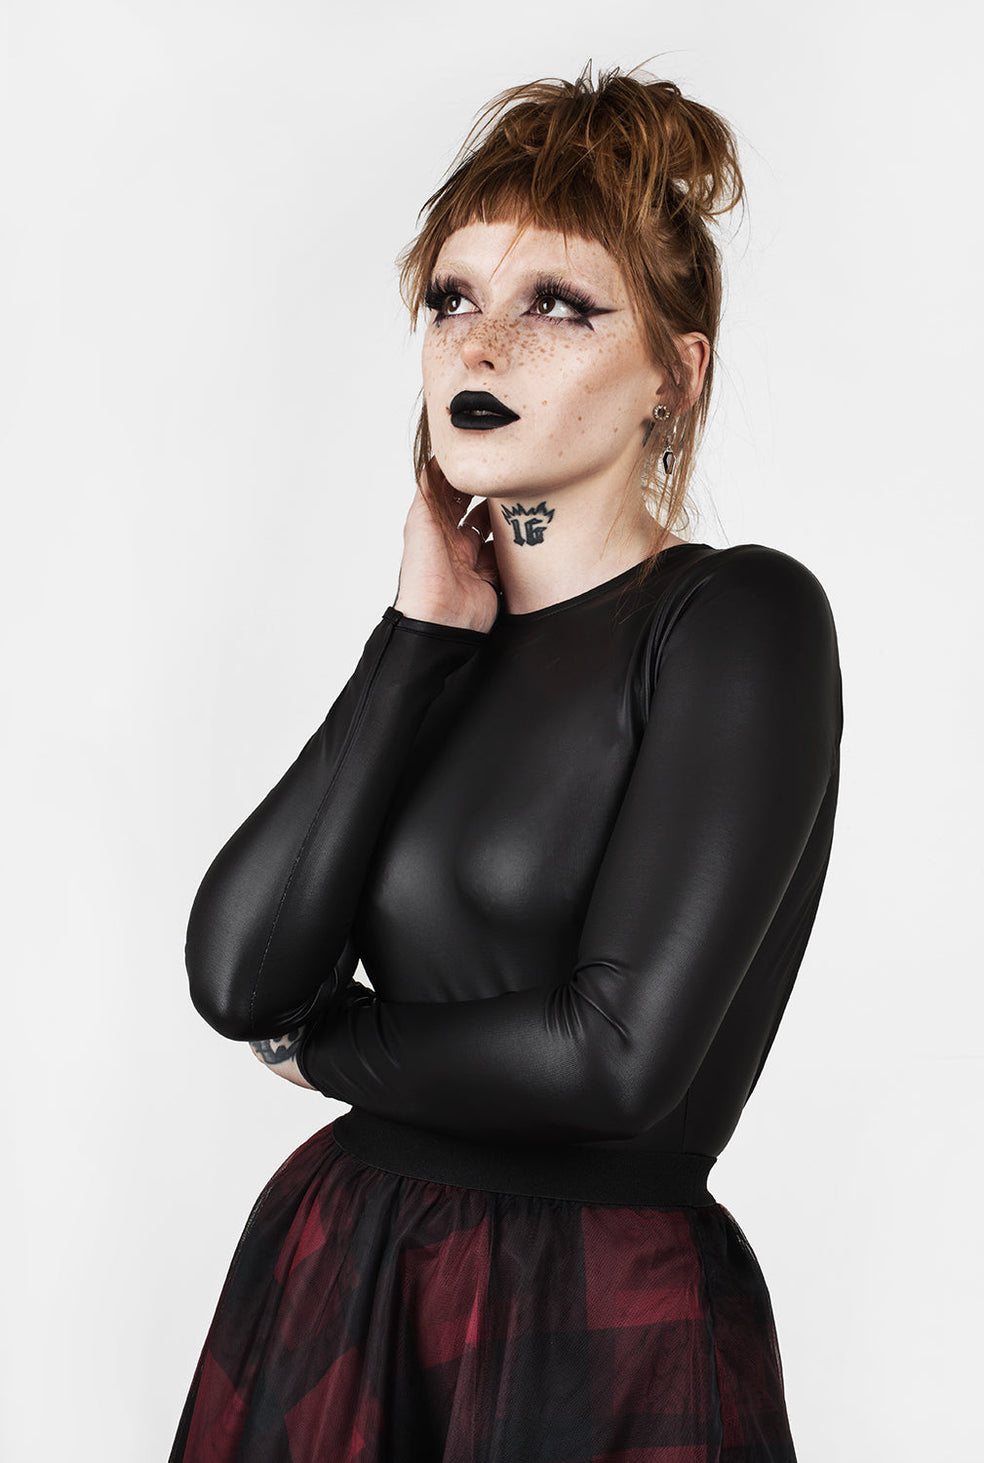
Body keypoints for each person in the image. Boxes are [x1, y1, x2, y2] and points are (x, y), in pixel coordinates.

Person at [170, 61, 843, 1462]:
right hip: (345, 1270)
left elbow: (615, 1059)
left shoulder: (737, 622)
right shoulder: (444, 651)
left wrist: (324, 1046)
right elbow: (238, 975)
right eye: (452, 299)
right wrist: (414, 638)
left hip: (590, 1316)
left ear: (675, 375)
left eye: (557, 306)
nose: (481, 346)